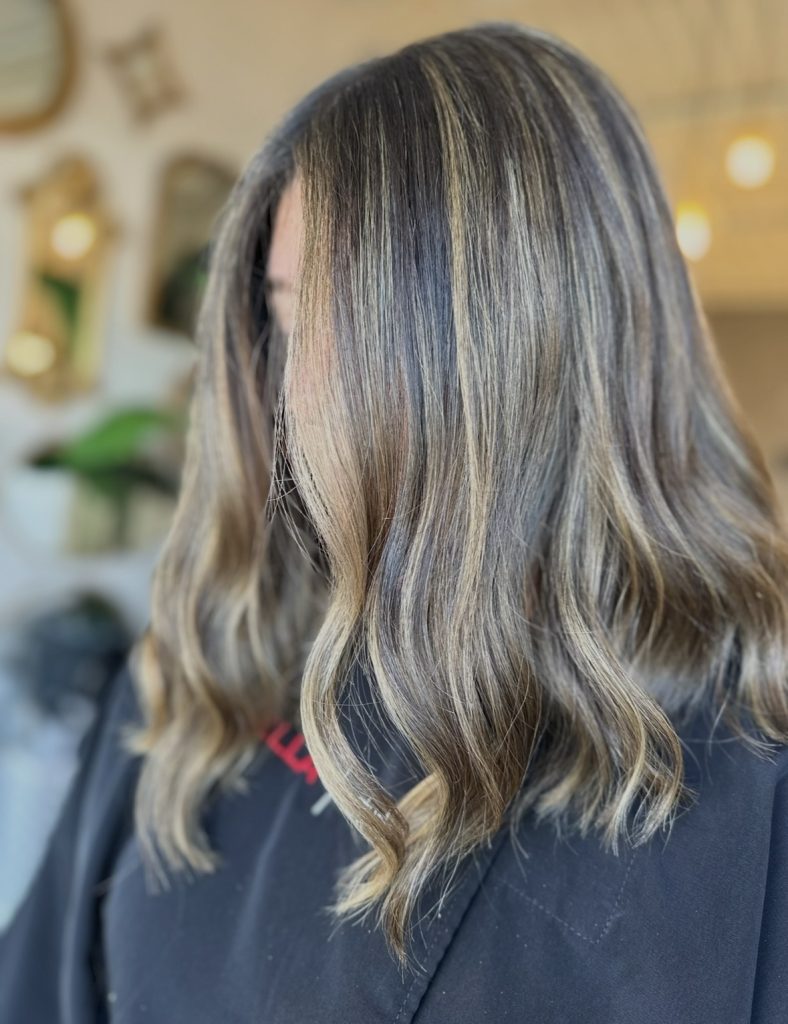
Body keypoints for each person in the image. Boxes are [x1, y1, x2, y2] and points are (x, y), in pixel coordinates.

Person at [2, 21, 788, 1024]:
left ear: (524, 346)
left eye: (349, 325)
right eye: (283, 318)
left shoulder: (746, 790)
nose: (292, 401)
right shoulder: (209, 666)